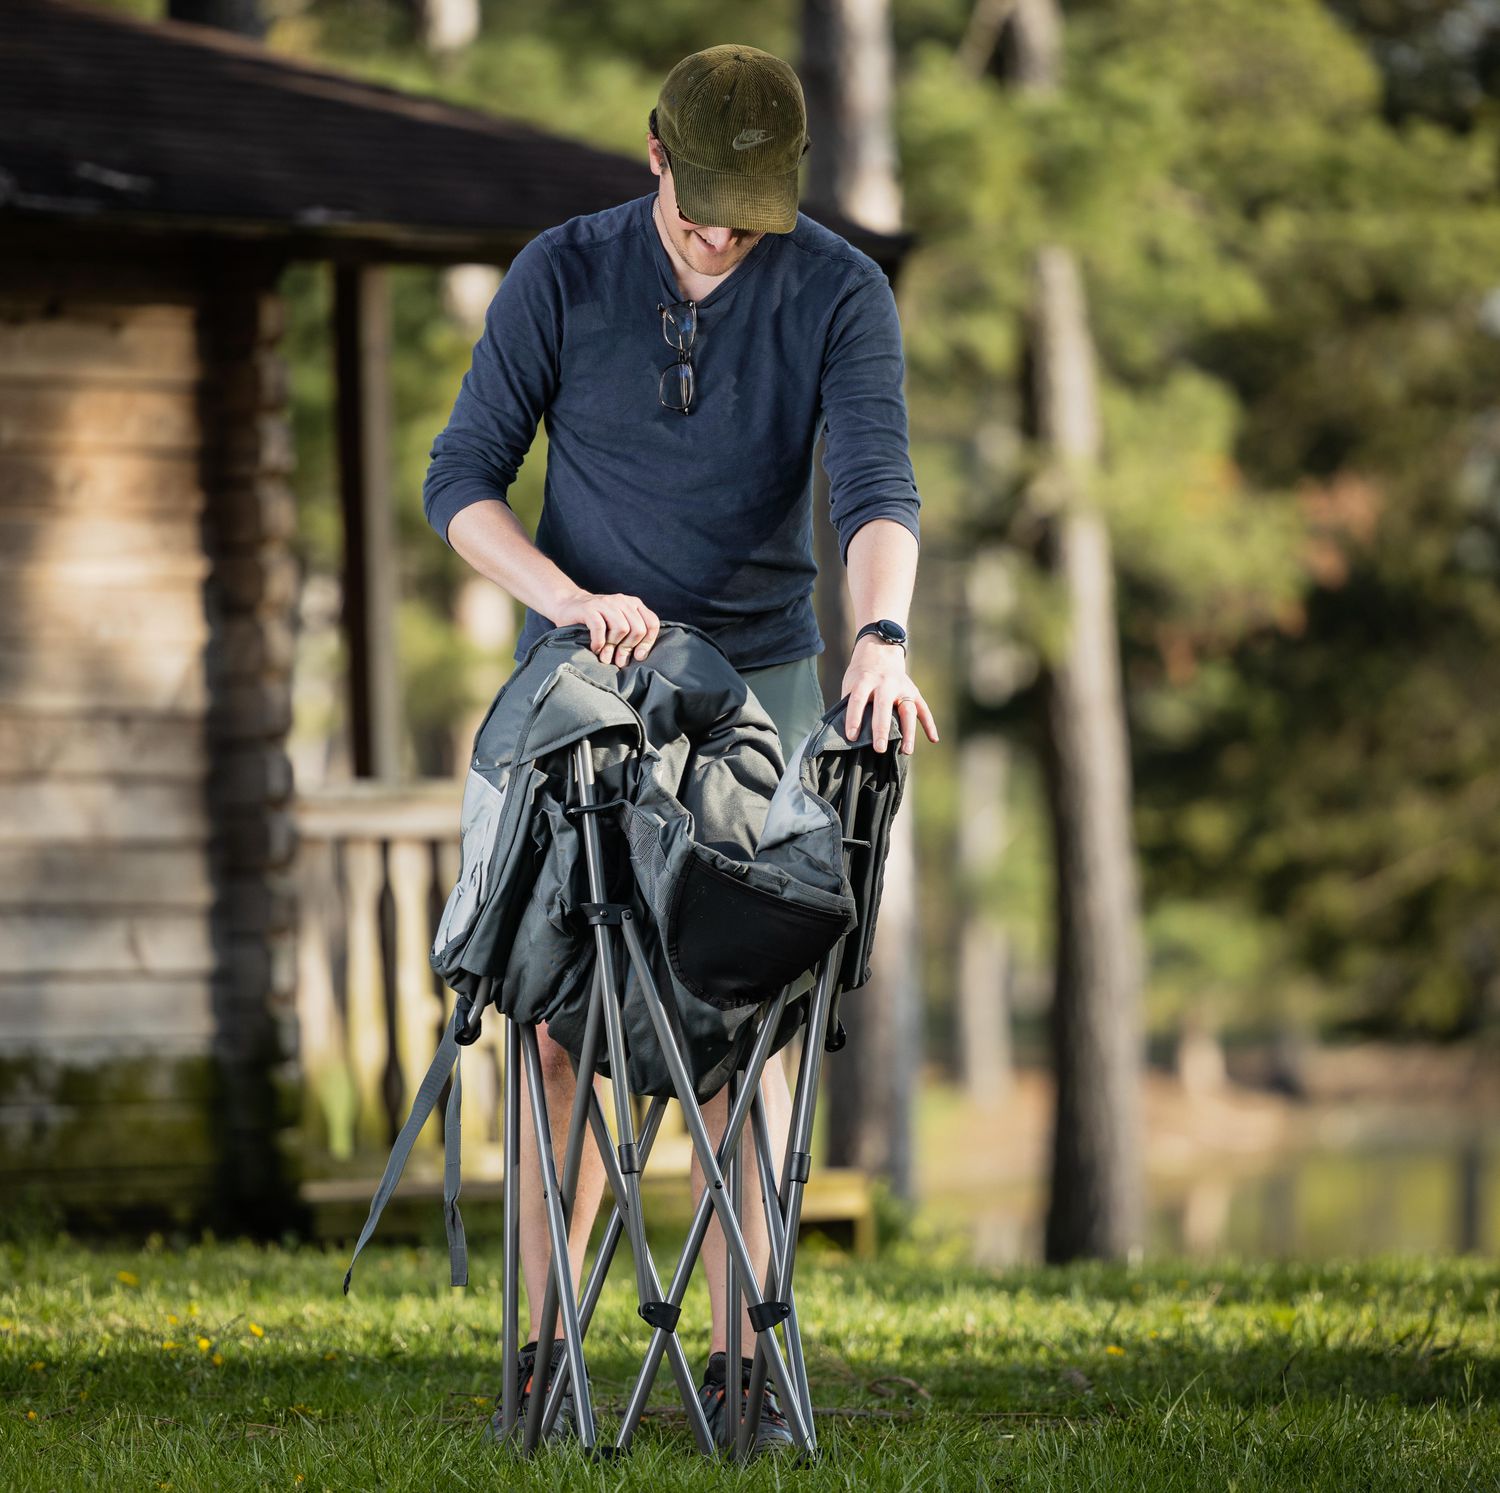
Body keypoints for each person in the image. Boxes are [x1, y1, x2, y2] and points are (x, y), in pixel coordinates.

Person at [421, 42, 939, 1454]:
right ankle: (538, 1367)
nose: (720, 239)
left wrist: (882, 639)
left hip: (758, 692)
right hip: (583, 681)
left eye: (747, 214)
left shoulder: (838, 288)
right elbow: (459, 480)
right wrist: (567, 600)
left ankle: (744, 1373)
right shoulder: (563, 274)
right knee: (548, 1035)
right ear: (655, 154)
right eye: (701, 205)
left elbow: (877, 485)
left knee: (743, 1035)